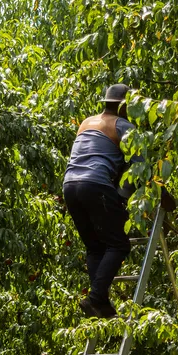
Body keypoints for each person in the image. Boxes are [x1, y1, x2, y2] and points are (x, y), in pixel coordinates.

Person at [63, 83, 140, 318]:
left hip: (70, 185)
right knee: (119, 244)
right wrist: (121, 196)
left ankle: (101, 302)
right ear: (124, 106)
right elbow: (140, 166)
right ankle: (96, 297)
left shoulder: (86, 122)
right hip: (95, 184)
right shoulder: (123, 126)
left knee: (95, 246)